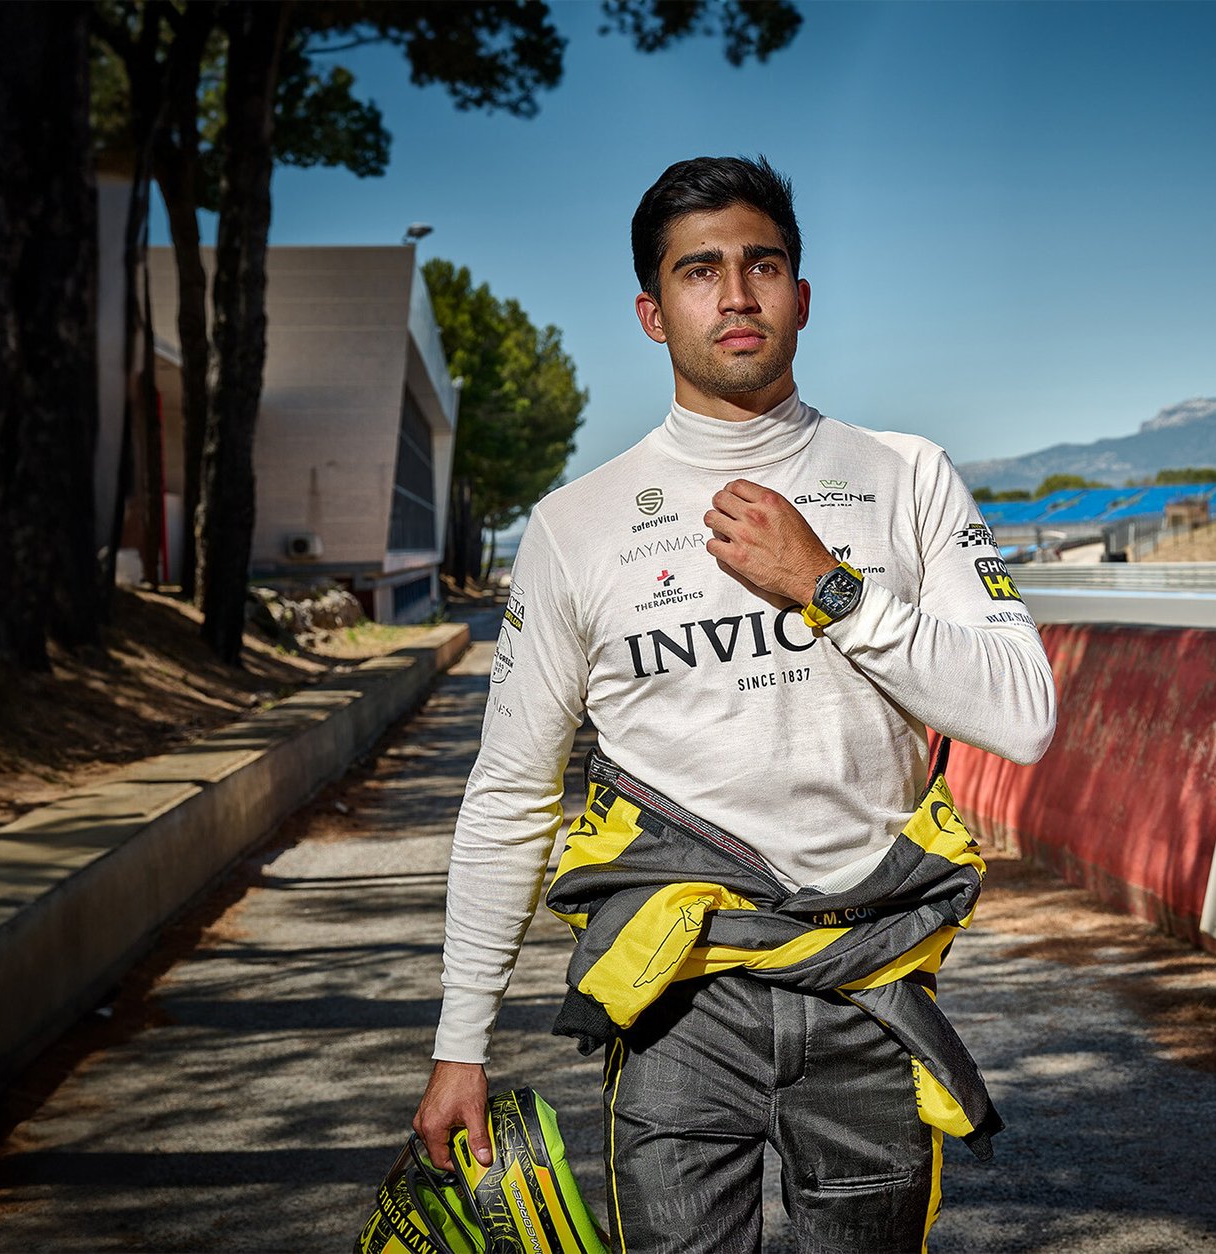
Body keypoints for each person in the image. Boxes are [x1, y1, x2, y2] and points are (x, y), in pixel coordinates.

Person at [411, 156, 1057, 1252]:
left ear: (800, 294)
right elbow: (510, 793)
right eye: (697, 271)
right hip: (675, 1003)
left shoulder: (905, 475)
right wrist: (458, 1043)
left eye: (761, 264)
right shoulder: (577, 524)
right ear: (651, 313)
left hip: (868, 990)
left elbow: (1022, 712)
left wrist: (826, 588)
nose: (735, 293)